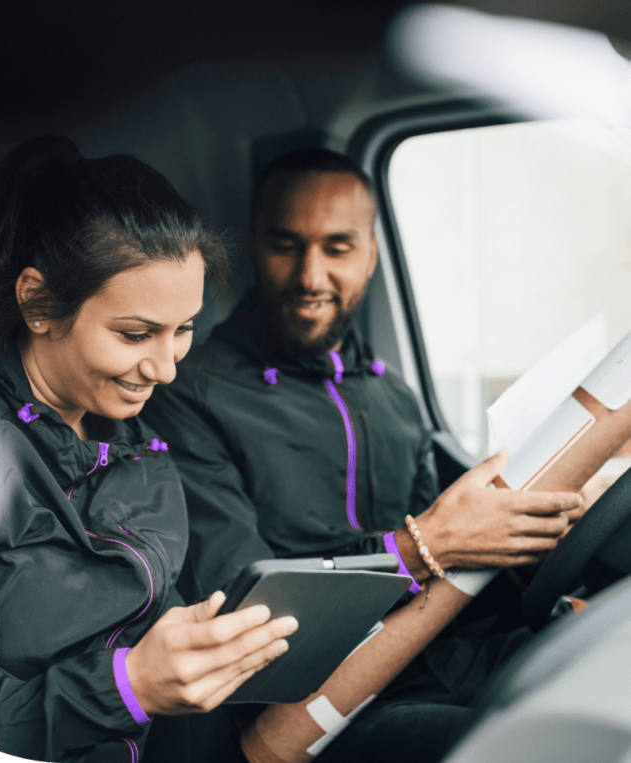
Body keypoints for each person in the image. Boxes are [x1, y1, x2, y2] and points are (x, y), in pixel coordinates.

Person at [141, 148, 583, 761]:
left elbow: (456, 557)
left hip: (451, 659)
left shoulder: (393, 394)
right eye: (286, 245)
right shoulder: (189, 396)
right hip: (323, 709)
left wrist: (527, 556)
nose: (311, 276)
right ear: (252, 246)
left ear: (372, 253)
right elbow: (246, 614)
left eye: (338, 247)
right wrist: (421, 547)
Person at [0, 136, 299, 763]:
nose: (165, 368)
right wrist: (130, 685)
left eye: (183, 331)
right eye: (134, 334)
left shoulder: (129, 438)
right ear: (39, 303)